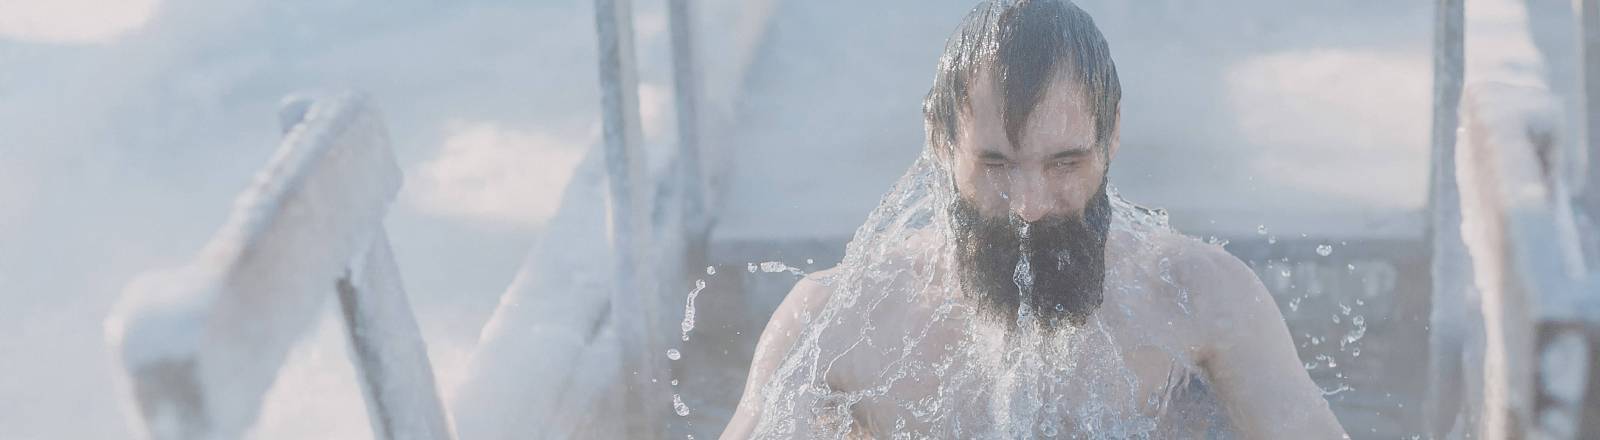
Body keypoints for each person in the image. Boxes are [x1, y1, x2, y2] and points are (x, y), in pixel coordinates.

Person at [721, 0, 1349, 438]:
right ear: (940, 140)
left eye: (1065, 163)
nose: (1029, 204)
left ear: (1112, 135)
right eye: (995, 164)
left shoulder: (1200, 298)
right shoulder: (839, 321)